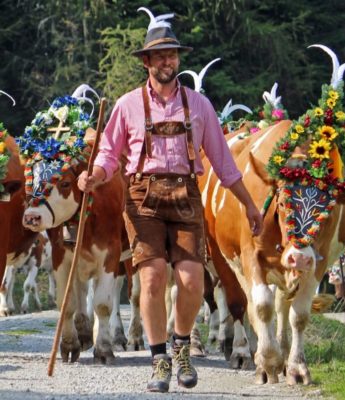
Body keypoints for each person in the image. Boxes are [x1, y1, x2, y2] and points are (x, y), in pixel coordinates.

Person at [77, 7, 263, 394]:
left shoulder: (199, 106)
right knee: (152, 276)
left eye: (172, 54)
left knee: (192, 280)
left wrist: (248, 204)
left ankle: (181, 346)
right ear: (146, 61)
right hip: (142, 198)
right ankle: (159, 357)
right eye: (160, 55)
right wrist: (93, 176)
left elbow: (224, 164)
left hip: (186, 197)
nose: (168, 61)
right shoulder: (127, 105)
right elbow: (109, 155)